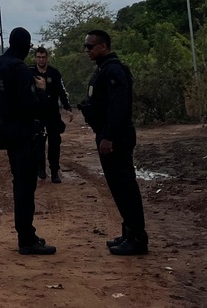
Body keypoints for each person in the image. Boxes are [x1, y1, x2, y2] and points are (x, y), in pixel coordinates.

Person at [0, 27, 56, 255]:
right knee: (26, 186)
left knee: (19, 182)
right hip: (26, 133)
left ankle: (26, 234)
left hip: (7, 131)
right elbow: (31, 104)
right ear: (26, 47)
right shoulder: (20, 70)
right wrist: (42, 92)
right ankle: (26, 238)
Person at [81, 29, 148, 256]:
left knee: (125, 186)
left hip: (116, 137)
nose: (87, 50)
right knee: (118, 188)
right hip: (107, 134)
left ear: (103, 46)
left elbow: (118, 107)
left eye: (90, 46)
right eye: (86, 46)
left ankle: (138, 238)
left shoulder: (114, 71)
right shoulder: (103, 70)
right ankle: (128, 232)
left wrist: (108, 136)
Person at [31, 46, 73, 183]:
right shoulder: (30, 72)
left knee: (54, 143)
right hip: (37, 113)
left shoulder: (54, 73)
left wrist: (67, 107)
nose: (41, 59)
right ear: (35, 58)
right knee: (38, 143)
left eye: (43, 57)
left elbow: (61, 90)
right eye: (38, 57)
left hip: (52, 113)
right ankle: (41, 168)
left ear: (47, 58)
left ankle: (55, 171)